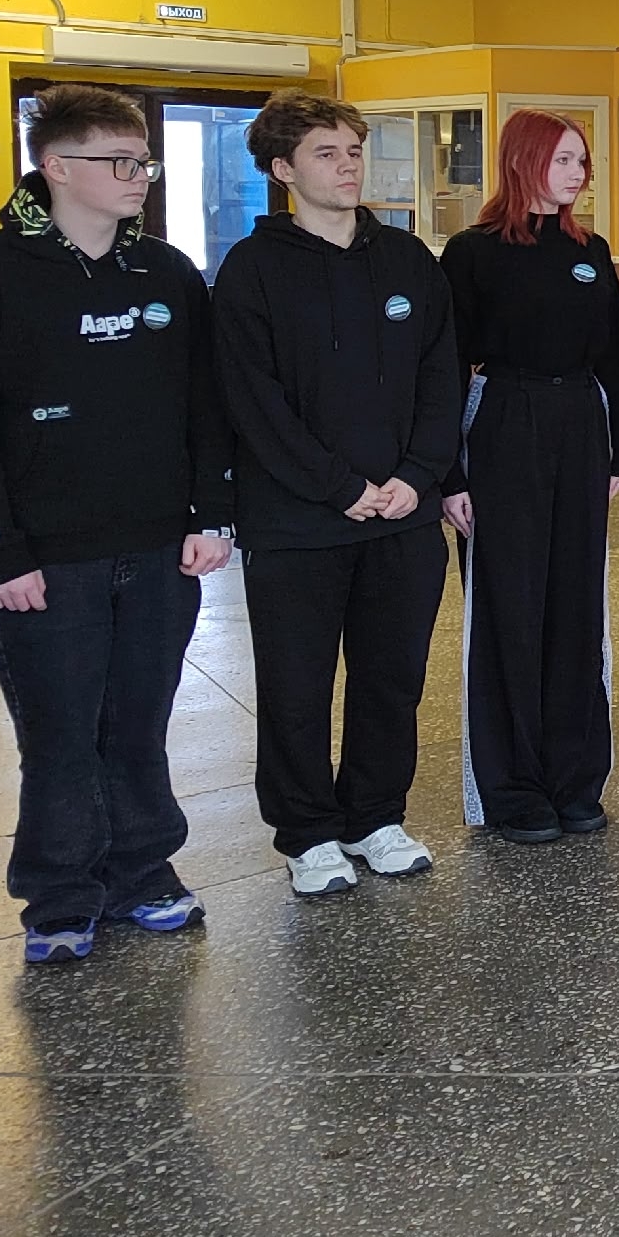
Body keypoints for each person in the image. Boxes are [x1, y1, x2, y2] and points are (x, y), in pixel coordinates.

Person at [0, 84, 233, 963]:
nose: (139, 176)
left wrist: (212, 514)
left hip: (159, 548)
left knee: (138, 726)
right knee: (60, 737)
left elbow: (205, 404)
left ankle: (145, 871)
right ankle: (60, 894)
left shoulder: (167, 274)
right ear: (57, 167)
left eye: (144, 162)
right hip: (46, 559)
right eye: (120, 161)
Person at [216, 92, 460, 895]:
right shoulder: (252, 271)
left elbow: (441, 376)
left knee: (393, 679)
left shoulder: (408, 260)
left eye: (353, 151)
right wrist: (338, 486)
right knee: (297, 686)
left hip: (402, 516)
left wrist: (416, 477)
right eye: (327, 153)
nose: (348, 166)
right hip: (298, 521)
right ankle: (307, 832)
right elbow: (252, 401)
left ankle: (374, 816)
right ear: (282, 170)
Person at [438, 111, 619, 844]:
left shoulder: (591, 251)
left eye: (582, 161)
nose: (577, 173)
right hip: (504, 421)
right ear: (523, 161)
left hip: (578, 424)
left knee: (576, 610)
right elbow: (444, 366)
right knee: (510, 610)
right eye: (562, 159)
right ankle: (513, 786)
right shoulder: (473, 253)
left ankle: (572, 777)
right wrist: (449, 475)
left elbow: (617, 357)